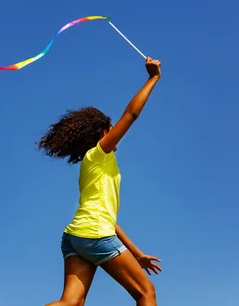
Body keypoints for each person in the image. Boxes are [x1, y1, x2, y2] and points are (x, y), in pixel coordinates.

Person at [37, 57, 163, 306]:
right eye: (111, 128)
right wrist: (153, 78)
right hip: (93, 234)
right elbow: (132, 113)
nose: (116, 131)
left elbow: (109, 222)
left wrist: (137, 254)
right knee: (146, 292)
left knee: (71, 302)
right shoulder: (99, 153)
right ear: (103, 134)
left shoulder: (93, 164)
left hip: (76, 235)